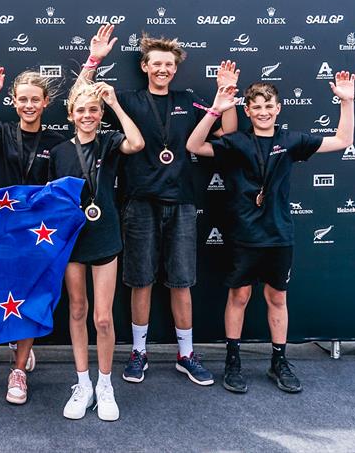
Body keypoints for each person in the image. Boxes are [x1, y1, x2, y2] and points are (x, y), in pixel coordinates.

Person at [81, 26, 238, 386]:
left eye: (169, 64)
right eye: (156, 64)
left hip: (181, 203)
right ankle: (139, 352)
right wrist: (94, 59)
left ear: (175, 68)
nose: (163, 69)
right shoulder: (129, 99)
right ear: (145, 66)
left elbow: (226, 133)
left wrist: (224, 95)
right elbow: (81, 97)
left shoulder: (190, 99)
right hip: (139, 202)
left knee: (181, 281)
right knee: (141, 280)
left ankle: (186, 354)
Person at [186, 71, 355, 394]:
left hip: (279, 234)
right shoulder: (237, 142)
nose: (263, 111)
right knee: (240, 296)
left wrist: (347, 103)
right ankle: (232, 360)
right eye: (256, 107)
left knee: (277, 297)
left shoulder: (290, 140)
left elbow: (343, 141)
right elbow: (194, 145)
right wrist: (216, 109)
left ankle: (279, 361)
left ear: (279, 109)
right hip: (244, 234)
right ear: (247, 111)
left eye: (269, 106)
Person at [0, 66, 66, 404]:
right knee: (8, 295)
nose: (29, 105)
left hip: (40, 234)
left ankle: (18, 370)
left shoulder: (57, 141)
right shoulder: (1, 131)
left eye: (35, 99)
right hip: (3, 231)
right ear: (14, 102)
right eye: (23, 99)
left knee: (30, 295)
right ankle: (18, 339)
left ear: (46, 102)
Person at [49, 79, 144, 421]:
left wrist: (116, 105)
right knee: (77, 310)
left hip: (104, 235)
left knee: (102, 318)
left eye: (93, 110)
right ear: (71, 114)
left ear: (100, 113)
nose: (87, 115)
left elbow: (137, 142)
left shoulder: (110, 141)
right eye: (81, 110)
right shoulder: (59, 152)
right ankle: (82, 383)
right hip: (73, 239)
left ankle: (105, 384)